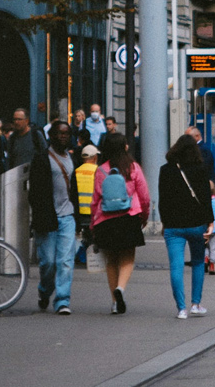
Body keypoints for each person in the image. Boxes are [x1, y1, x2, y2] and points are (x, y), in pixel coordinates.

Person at [160, 129, 215, 318]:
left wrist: (164, 222)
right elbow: (206, 198)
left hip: (173, 225)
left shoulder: (165, 170)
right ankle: (196, 304)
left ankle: (181, 308)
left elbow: (163, 200)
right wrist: (210, 222)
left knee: (176, 266)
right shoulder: (201, 170)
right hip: (196, 223)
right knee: (199, 262)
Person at [91, 133, 150, 314]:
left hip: (106, 219)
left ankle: (115, 302)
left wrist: (94, 223)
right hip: (128, 217)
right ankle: (121, 289)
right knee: (127, 257)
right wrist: (144, 216)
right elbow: (144, 196)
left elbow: (95, 200)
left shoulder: (101, 170)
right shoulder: (132, 168)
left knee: (111, 260)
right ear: (125, 147)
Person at [27, 120, 78, 315]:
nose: (63, 137)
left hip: (67, 216)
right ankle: (44, 291)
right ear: (52, 136)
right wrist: (39, 216)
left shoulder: (72, 160)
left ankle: (62, 301)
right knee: (47, 262)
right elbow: (35, 192)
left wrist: (78, 216)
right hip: (47, 217)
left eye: (66, 134)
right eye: (59, 133)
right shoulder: (41, 159)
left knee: (65, 261)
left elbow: (74, 189)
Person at [72, 144, 99, 267]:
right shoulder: (98, 172)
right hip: (93, 212)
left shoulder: (76, 171)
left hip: (78, 213)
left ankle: (81, 254)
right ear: (94, 157)